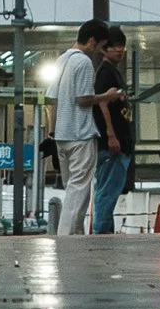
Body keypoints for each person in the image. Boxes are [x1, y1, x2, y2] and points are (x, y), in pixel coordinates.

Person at [51, 20, 104, 236]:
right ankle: (66, 238)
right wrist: (106, 96)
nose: (99, 51)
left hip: (62, 134)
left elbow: (51, 98)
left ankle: (75, 234)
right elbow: (83, 99)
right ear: (92, 41)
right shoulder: (83, 63)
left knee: (71, 187)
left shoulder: (62, 59)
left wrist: (52, 130)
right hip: (80, 133)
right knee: (78, 189)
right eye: (100, 46)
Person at [90, 25, 135, 233]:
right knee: (107, 193)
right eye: (115, 46)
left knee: (110, 192)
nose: (120, 49)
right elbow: (102, 104)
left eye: (122, 46)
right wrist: (111, 135)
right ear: (103, 49)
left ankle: (105, 233)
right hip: (113, 145)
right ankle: (101, 235)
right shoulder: (105, 73)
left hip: (119, 143)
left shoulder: (112, 72)